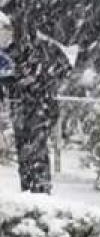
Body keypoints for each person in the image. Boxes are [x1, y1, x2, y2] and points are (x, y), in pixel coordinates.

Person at [8, 23, 71, 193]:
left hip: (38, 106)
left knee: (35, 148)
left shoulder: (45, 49)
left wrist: (40, 80)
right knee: (26, 149)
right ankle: (30, 186)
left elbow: (64, 70)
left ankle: (39, 187)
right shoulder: (14, 51)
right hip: (24, 107)